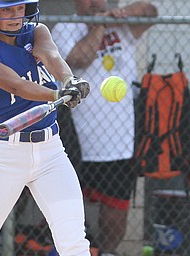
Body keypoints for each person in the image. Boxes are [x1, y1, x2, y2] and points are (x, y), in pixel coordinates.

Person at [0, 0, 91, 255]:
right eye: (7, 9)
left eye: (19, 8)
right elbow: (17, 86)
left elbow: (51, 56)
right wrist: (56, 94)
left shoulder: (36, 32)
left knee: (74, 242)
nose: (15, 15)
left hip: (51, 153)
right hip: (4, 156)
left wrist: (69, 79)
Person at [51, 1, 158, 255]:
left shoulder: (121, 26)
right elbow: (79, 59)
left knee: (116, 205)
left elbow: (151, 12)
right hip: (77, 139)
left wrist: (122, 14)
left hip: (119, 140)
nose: (94, 3)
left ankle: (108, 252)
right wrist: (99, 25)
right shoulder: (65, 28)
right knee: (66, 203)